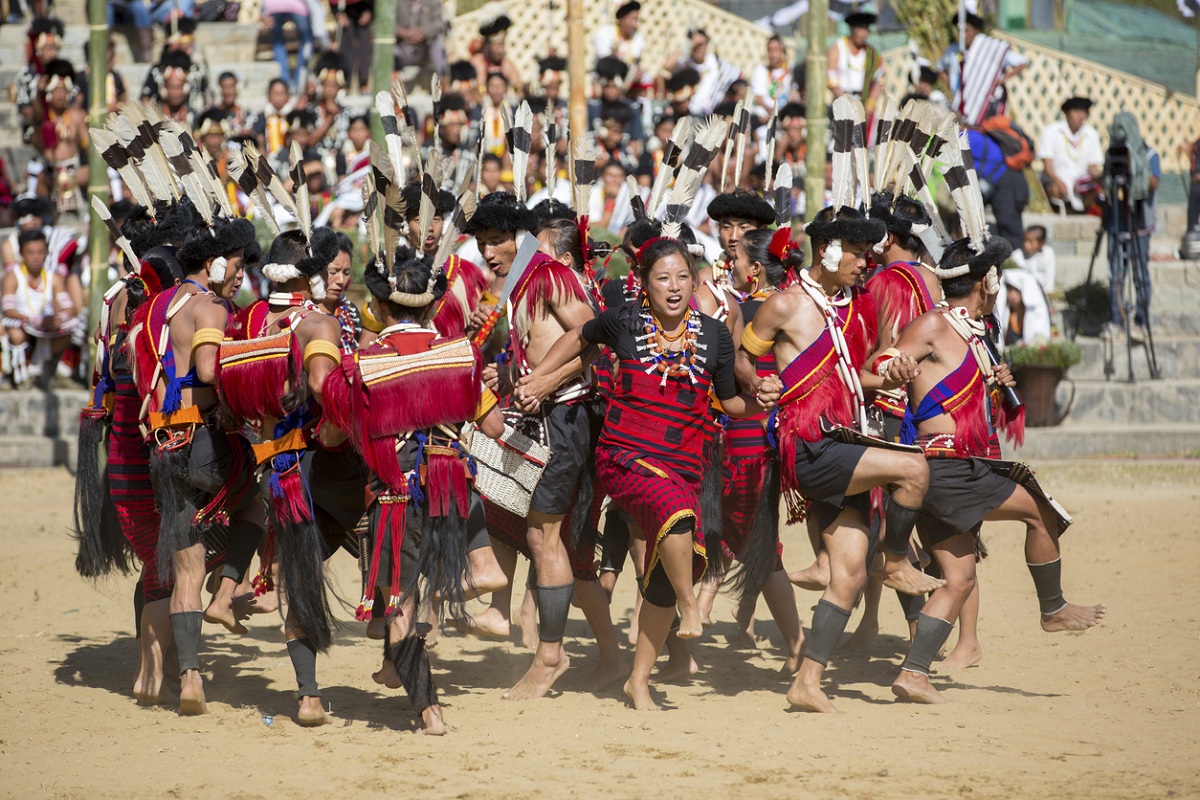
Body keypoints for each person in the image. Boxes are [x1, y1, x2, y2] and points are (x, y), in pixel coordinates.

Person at [516, 237, 777, 710]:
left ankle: (638, 679)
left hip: (685, 462)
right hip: (625, 456)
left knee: (661, 565)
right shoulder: (625, 321)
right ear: (644, 284)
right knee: (675, 513)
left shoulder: (716, 336)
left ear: (696, 282)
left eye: (683, 278)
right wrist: (541, 376)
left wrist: (760, 404)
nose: (674, 288)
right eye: (662, 278)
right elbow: (579, 338)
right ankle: (689, 604)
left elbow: (730, 402)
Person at [735, 206, 944, 713]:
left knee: (848, 573)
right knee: (914, 467)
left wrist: (889, 376)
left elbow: (855, 376)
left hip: (842, 439)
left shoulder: (857, 307)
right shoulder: (783, 306)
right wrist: (754, 382)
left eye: (867, 253)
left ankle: (806, 682)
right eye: (855, 253)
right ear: (827, 253)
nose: (864, 262)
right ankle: (896, 561)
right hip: (807, 444)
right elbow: (742, 355)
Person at [883, 235, 1105, 704]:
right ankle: (1053, 607)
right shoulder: (933, 324)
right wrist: (894, 368)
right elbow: (876, 367)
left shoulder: (974, 333)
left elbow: (957, 395)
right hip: (944, 468)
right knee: (1041, 510)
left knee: (959, 580)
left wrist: (994, 387)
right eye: (996, 277)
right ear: (986, 281)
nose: (1000, 286)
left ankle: (913, 673)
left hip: (953, 468)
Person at [322, 245, 505, 734]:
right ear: (431, 307)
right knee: (410, 606)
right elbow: (494, 427)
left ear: (380, 308)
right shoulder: (461, 353)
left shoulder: (362, 363)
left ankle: (431, 712)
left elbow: (333, 435)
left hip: (395, 498)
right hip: (452, 495)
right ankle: (399, 662)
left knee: (398, 609)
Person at [129, 214, 264, 716]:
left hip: (162, 449)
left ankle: (189, 681)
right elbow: (210, 371)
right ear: (213, 262)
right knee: (263, 501)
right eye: (237, 265)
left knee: (185, 571)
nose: (241, 276)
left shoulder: (154, 308)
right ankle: (228, 592)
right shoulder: (210, 309)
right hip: (204, 443)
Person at [696, 227, 805, 672]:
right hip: (753, 436)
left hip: (747, 441)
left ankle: (798, 645)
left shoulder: (758, 311)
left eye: (737, 259)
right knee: (744, 542)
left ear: (756, 268)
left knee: (758, 547)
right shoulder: (796, 307)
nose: (731, 265)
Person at [1103, 112, 1159, 344]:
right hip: (1117, 222)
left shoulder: (1149, 154)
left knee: (1140, 274)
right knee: (1115, 273)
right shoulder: (1112, 154)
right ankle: (1115, 320)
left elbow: (1154, 183)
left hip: (1139, 224)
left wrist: (1135, 167)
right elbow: (1106, 183)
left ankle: (1141, 321)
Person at [2, 228, 77, 387]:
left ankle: (48, 370)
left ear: (46, 253)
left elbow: (69, 308)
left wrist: (59, 318)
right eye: (31, 252)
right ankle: (21, 376)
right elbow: (7, 309)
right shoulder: (12, 276)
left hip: (47, 326)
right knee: (16, 334)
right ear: (22, 253)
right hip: (23, 323)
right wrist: (33, 319)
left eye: (40, 252)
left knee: (72, 327)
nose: (36, 257)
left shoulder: (53, 277)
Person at [937, 11, 1026, 126]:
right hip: (959, 102)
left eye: (967, 30)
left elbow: (1021, 63)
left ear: (976, 30)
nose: (963, 35)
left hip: (987, 104)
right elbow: (940, 67)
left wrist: (999, 81)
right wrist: (950, 83)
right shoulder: (954, 50)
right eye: (960, 31)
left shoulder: (990, 48)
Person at [1037, 97, 1104, 214]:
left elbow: (1092, 164)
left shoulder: (1091, 133)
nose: (1080, 116)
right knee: (1056, 189)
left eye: (1083, 112)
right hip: (1057, 181)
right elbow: (1048, 168)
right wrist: (1059, 182)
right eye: (1076, 111)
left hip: (1081, 185)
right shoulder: (1052, 131)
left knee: (1099, 190)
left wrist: (1094, 172)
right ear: (1067, 112)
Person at [826, 8, 883, 115]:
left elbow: (879, 81)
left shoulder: (872, 54)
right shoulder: (837, 48)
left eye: (866, 29)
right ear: (852, 29)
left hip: (863, 104)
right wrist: (847, 104)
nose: (864, 34)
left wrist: (870, 105)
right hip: (841, 103)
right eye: (860, 29)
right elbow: (832, 80)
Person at [264, 0, 315, 92]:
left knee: (277, 42)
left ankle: (284, 83)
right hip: (297, 6)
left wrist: (263, 11)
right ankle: (299, 82)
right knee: (307, 40)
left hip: (273, 5)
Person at [593, 0, 646, 80]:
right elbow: (606, 65)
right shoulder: (605, 33)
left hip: (627, 82)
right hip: (606, 80)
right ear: (622, 19)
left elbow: (634, 62)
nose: (636, 24)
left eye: (637, 20)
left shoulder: (638, 38)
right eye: (633, 19)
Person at [395, 0, 447, 76]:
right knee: (388, 44)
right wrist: (404, 33)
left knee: (437, 42)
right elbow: (385, 24)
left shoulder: (433, 2)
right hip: (402, 48)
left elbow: (441, 24)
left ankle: (441, 79)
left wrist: (423, 33)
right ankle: (391, 81)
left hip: (425, 49)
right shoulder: (395, 2)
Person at [750, 35, 793, 122]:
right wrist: (773, 112)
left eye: (775, 50)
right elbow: (759, 99)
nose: (772, 54)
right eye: (769, 50)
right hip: (766, 114)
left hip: (786, 114)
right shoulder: (761, 71)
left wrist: (782, 113)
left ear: (782, 51)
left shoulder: (791, 71)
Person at [334, 0, 373, 92]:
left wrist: (370, 11)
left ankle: (364, 82)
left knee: (365, 45)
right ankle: (346, 83)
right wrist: (337, 13)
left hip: (364, 8)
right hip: (345, 10)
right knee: (346, 46)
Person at [1011, 225, 1055, 294]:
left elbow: (1049, 278)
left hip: (1042, 294)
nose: (1026, 244)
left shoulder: (1048, 253)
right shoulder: (1017, 256)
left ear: (1041, 243)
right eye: (1025, 240)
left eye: (1030, 242)